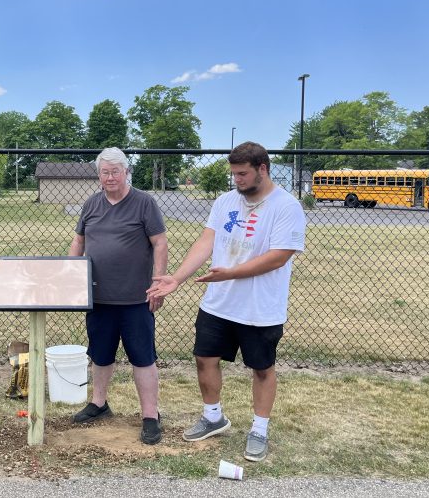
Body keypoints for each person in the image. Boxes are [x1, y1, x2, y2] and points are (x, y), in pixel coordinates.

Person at [146, 142, 306, 461]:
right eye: (233, 174)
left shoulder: (286, 207)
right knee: (204, 358)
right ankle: (213, 416)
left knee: (261, 369)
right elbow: (208, 241)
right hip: (218, 304)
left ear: (263, 168)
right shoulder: (225, 201)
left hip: (260, 309)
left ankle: (259, 429)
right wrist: (176, 278)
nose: (237, 180)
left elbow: (278, 257)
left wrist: (231, 273)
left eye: (243, 173)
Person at [68, 147, 168, 445]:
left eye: (115, 171)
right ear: (98, 175)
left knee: (142, 358)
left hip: (136, 299)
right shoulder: (91, 204)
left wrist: (158, 283)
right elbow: (79, 240)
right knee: (100, 355)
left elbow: (160, 243)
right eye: (104, 172)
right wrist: (71, 275)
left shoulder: (144, 203)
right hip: (98, 299)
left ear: (126, 172)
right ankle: (99, 403)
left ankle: (150, 415)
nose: (110, 177)